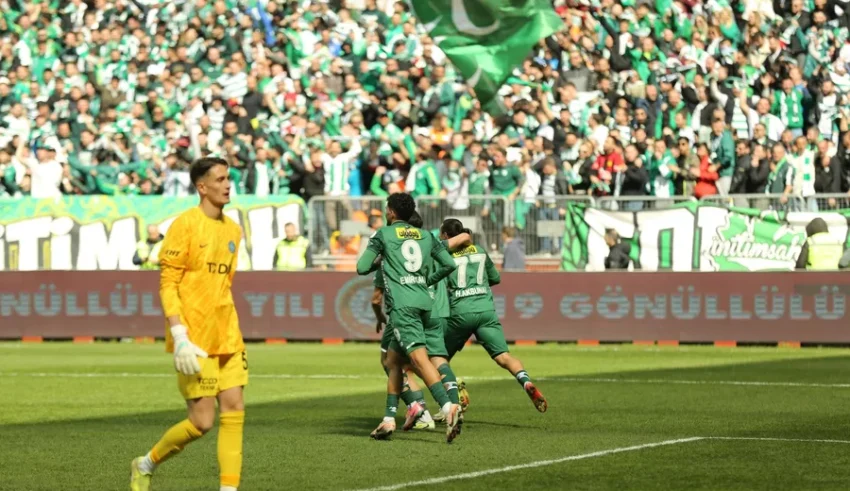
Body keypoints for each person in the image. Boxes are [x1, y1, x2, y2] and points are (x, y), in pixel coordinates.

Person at [130, 157, 247, 491]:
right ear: (202, 187)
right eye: (220, 180)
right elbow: (168, 283)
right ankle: (145, 463)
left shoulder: (233, 230)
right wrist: (178, 333)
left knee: (235, 410)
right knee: (202, 422)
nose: (228, 185)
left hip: (229, 333)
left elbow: (223, 284)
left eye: (228, 178)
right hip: (193, 337)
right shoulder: (184, 225)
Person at [356, 193, 461, 442]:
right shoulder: (426, 235)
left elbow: (362, 267)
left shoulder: (383, 234)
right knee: (393, 361)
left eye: (386, 209)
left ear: (392, 212)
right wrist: (426, 281)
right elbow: (449, 265)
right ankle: (388, 419)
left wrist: (383, 258)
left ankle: (448, 407)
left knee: (419, 359)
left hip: (403, 306)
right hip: (424, 303)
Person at [372, 212, 473, 430]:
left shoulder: (392, 253)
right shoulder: (429, 243)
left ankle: (420, 409)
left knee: (392, 361)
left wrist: (379, 316)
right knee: (431, 359)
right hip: (436, 311)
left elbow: (376, 297)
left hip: (406, 311)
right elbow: (464, 238)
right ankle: (450, 389)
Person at [437, 219, 548, 413]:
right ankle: (526, 381)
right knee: (504, 357)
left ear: (446, 236)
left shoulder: (445, 254)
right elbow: (495, 278)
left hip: (460, 313)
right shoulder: (479, 250)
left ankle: (454, 400)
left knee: (438, 358)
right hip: (486, 311)